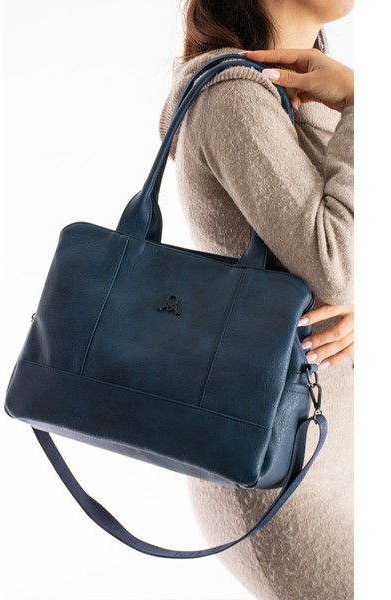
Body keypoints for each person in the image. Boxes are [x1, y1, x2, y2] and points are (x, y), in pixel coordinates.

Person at [158, 1, 354, 598]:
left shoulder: (309, 97)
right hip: (284, 469)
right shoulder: (233, 96)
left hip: (333, 447)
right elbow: (335, 264)